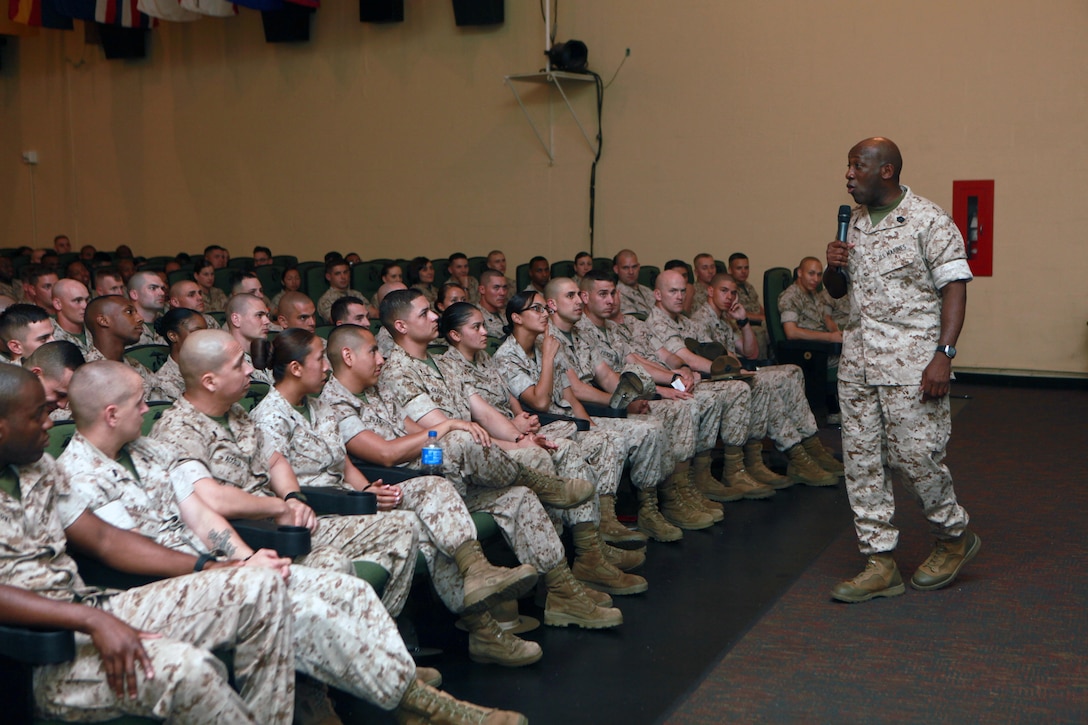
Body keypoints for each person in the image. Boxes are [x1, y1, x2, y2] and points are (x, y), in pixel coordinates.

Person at [59, 361, 517, 723]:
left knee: (347, 586)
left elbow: (200, 513)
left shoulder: (150, 451)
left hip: (219, 567)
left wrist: (245, 557)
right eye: (139, 403)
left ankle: (404, 694)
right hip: (161, 587)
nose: (148, 409)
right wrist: (222, 570)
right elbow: (122, 551)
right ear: (111, 413)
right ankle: (419, 704)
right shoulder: (77, 474)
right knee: (299, 599)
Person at [0, 364, 296, 724]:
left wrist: (213, 567)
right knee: (192, 669)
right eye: (37, 416)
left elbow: (106, 539)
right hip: (38, 651)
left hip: (89, 605)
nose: (51, 422)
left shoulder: (38, 466)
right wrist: (90, 619)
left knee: (259, 585)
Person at [256, 328, 540, 666]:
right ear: (296, 368)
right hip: (320, 511)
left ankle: (481, 629)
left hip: (350, 500)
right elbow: (284, 480)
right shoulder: (269, 416)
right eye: (319, 359)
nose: (327, 367)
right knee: (416, 522)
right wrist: (349, 498)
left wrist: (366, 490)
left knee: (429, 533)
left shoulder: (318, 405)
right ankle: (390, 646)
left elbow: (342, 461)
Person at [323, 325, 608, 655]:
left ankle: (561, 591)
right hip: (404, 487)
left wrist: (443, 435)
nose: (381, 356)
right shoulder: (336, 404)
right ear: (348, 356)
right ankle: (483, 626)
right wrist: (445, 428)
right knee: (455, 442)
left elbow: (417, 433)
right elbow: (386, 453)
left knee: (518, 497)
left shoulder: (376, 391)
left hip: (443, 478)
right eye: (373, 350)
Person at [376, 289, 622, 629]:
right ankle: (537, 488)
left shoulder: (439, 359)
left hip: (477, 465)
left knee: (528, 477)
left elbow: (483, 411)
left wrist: (520, 438)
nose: (435, 316)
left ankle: (560, 587)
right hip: (445, 472)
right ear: (401, 326)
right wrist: (515, 449)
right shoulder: (399, 371)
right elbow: (441, 431)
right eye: (424, 314)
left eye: (433, 311)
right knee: (501, 453)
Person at [150, 329, 421, 618]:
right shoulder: (178, 429)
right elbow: (211, 499)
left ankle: (381, 640)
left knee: (374, 540)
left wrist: (293, 497)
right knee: (337, 564)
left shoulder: (236, 414)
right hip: (245, 537)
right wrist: (278, 506)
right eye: (238, 365)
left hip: (281, 528)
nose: (250, 370)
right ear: (209, 381)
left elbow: (276, 461)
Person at [825, 136, 978, 603]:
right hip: (857, 363)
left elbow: (955, 287)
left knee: (916, 459)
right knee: (862, 463)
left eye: (857, 166)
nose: (848, 175)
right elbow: (837, 292)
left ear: (885, 170)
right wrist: (834, 265)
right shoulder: (852, 223)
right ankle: (879, 562)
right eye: (848, 166)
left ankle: (953, 536)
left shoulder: (929, 220)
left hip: (913, 364)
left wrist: (944, 355)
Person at [440, 302, 647, 594]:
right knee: (555, 450)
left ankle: (590, 551)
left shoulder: (483, 358)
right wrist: (516, 435)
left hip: (512, 431)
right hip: (488, 445)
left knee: (568, 448)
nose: (485, 331)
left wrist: (517, 418)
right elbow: (478, 416)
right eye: (476, 327)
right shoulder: (450, 366)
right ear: (454, 335)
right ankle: (568, 569)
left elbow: (508, 400)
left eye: (484, 324)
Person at [648, 270, 839, 490]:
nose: (680, 296)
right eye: (673, 291)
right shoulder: (661, 323)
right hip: (687, 382)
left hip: (712, 374)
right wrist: (733, 371)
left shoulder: (686, 322)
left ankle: (807, 443)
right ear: (658, 295)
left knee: (791, 372)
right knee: (757, 384)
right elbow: (687, 359)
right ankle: (785, 453)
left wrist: (744, 323)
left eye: (682, 291)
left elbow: (749, 353)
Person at [148, 308, 207, 402]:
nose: (205, 338)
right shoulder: (162, 385)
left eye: (206, 333)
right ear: (173, 336)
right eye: (196, 332)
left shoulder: (210, 369)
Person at [727, 252, 771, 360]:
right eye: (739, 268)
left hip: (758, 322)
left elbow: (758, 306)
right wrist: (761, 318)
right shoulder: (729, 289)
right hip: (741, 324)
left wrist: (768, 317)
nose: (743, 271)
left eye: (746, 268)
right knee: (761, 333)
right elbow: (733, 312)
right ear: (730, 270)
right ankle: (760, 364)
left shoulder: (748, 286)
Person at [224, 293, 275, 385]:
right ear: (236, 319)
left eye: (267, 315)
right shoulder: (225, 361)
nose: (267, 321)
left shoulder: (267, 356)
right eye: (259, 315)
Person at [50, 279, 94, 357]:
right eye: (77, 300)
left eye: (87, 300)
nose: (85, 306)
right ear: (58, 304)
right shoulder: (50, 338)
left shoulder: (96, 330)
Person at [317, 258, 367, 325]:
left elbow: (373, 312)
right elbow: (336, 320)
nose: (343, 277)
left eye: (345, 272)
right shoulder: (325, 300)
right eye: (338, 274)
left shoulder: (356, 294)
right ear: (328, 277)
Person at [126, 271, 168, 346]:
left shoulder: (169, 323)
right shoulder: (122, 327)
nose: (162, 293)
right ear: (134, 294)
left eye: (162, 288)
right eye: (153, 288)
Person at [612, 250, 655, 318]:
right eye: (625, 268)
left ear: (639, 267)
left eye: (634, 267)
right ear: (616, 269)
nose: (631, 272)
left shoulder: (648, 290)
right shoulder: (616, 296)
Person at [477, 269, 510, 338]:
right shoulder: (475, 316)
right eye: (496, 288)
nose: (502, 293)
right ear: (482, 289)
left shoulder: (509, 312)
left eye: (504, 287)